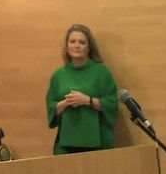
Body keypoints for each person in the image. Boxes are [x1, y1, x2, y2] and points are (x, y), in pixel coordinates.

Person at [45, 23, 118, 154]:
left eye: (82, 42)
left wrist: (87, 100)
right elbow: (51, 107)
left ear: (89, 47)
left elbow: (112, 104)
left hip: (98, 142)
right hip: (66, 144)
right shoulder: (58, 75)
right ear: (67, 46)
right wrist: (65, 103)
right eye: (72, 41)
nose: (76, 45)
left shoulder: (101, 71)